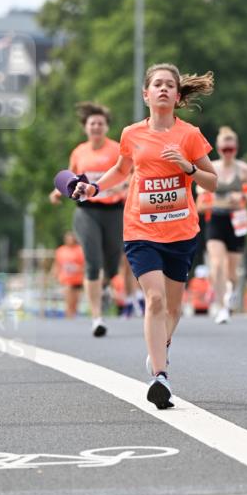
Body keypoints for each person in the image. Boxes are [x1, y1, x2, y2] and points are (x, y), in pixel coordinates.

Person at [72, 63, 217, 409]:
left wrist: (187, 167)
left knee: (174, 308)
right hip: (141, 229)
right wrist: (94, 187)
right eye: (157, 84)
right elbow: (121, 169)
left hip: (181, 231)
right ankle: (160, 378)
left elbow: (212, 182)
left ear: (178, 96)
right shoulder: (131, 134)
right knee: (154, 300)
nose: (163, 89)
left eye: (170, 85)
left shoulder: (190, 135)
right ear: (146, 94)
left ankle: (160, 348)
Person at [49, 101, 129, 337]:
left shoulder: (117, 149)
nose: (96, 127)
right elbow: (71, 179)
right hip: (86, 211)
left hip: (114, 211)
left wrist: (121, 187)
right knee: (93, 261)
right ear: (85, 127)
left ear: (106, 127)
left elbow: (130, 175)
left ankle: (105, 285)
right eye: (92, 123)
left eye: (100, 123)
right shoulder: (79, 152)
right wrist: (57, 191)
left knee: (112, 264)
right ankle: (97, 317)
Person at [204, 126, 247, 324]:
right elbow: (200, 188)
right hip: (216, 217)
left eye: (231, 149)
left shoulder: (244, 169)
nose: (228, 152)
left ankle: (231, 293)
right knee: (217, 264)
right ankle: (220, 306)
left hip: (237, 219)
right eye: (224, 149)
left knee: (232, 270)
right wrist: (205, 195)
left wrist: (241, 196)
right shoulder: (211, 166)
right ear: (218, 148)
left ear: (236, 148)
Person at [53, 231, 85, 319]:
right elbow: (57, 265)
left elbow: (85, 265)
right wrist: (55, 275)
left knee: (75, 302)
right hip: (66, 280)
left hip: (77, 279)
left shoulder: (80, 250)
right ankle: (68, 316)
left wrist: (77, 268)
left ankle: (73, 316)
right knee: (68, 300)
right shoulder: (60, 251)